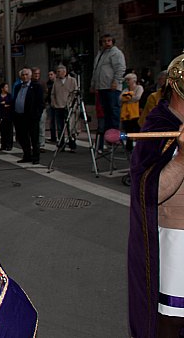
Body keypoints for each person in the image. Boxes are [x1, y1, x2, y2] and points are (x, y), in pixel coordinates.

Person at [128, 54, 184, 338]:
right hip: (176, 242)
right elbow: (148, 193)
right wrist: (182, 157)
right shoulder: (158, 127)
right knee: (172, 322)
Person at [90, 34, 126, 133]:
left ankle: (114, 129)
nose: (107, 43)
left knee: (113, 108)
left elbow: (120, 68)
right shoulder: (100, 54)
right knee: (106, 110)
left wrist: (116, 80)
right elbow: (96, 70)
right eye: (104, 41)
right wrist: (93, 84)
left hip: (111, 86)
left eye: (109, 40)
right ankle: (108, 130)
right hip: (102, 86)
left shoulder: (116, 53)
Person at [13, 68, 45, 164]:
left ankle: (35, 157)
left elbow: (40, 103)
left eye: (26, 74)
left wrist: (37, 115)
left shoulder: (36, 87)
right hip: (20, 116)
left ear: (30, 76)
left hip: (31, 117)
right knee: (23, 137)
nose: (25, 76)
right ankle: (27, 155)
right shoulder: (18, 86)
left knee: (34, 138)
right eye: (23, 75)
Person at [51, 65, 78, 153]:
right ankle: (61, 144)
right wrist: (54, 103)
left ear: (65, 72)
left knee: (70, 127)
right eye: (57, 72)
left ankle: (72, 144)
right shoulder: (56, 81)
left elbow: (75, 93)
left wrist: (72, 104)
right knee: (60, 127)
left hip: (68, 106)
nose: (58, 73)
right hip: (58, 106)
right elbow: (53, 94)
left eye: (59, 72)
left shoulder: (72, 81)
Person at [120, 73, 143, 153]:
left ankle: (139, 146)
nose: (127, 82)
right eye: (126, 80)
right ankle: (129, 147)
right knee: (128, 131)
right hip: (126, 114)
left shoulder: (139, 88)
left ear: (134, 80)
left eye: (128, 80)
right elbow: (121, 98)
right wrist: (130, 96)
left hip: (136, 113)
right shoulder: (125, 90)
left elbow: (138, 97)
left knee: (137, 130)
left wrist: (128, 97)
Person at [32, 67, 47, 152]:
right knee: (34, 127)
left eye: (38, 74)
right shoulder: (30, 83)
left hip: (41, 107)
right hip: (32, 108)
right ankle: (35, 143)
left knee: (41, 126)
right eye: (35, 74)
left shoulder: (42, 83)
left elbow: (46, 93)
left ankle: (41, 144)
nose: (37, 75)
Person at [0, 82, 13, 151]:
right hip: (1, 115)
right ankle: (3, 145)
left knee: (9, 131)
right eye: (6, 87)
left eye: (7, 87)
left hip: (8, 115)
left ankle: (9, 145)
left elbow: (12, 104)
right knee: (2, 131)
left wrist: (6, 104)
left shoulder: (9, 95)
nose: (7, 88)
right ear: (2, 89)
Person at [46, 70, 57, 143]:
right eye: (49, 75)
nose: (50, 76)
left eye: (51, 74)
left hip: (57, 103)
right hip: (50, 103)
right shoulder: (48, 83)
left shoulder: (57, 83)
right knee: (51, 121)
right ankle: (53, 136)